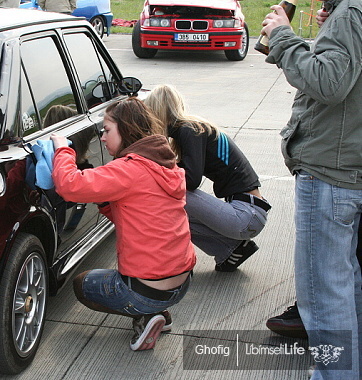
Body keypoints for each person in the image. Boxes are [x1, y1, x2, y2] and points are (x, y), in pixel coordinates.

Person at [260, 0, 362, 377]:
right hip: (349, 165)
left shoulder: (352, 12)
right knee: (346, 283)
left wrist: (284, 37)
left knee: (325, 293)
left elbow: (329, 84)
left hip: (332, 171)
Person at [50, 97, 196, 351]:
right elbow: (136, 218)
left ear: (126, 128)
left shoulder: (129, 170)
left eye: (107, 130)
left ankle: (146, 315)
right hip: (181, 284)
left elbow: (69, 186)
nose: (103, 138)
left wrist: (63, 148)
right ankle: (158, 312)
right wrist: (107, 202)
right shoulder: (166, 166)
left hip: (145, 290)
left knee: (81, 285)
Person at [144, 84, 270, 272]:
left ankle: (165, 266)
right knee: (174, 215)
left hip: (246, 215)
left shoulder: (190, 130)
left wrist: (153, 167)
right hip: (249, 213)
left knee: (168, 194)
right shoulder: (192, 129)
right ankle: (230, 249)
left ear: (157, 112)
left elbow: (191, 181)